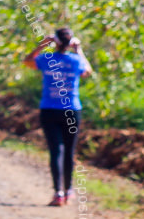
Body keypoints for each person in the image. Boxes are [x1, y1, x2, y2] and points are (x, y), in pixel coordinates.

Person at [23, 27, 94, 206]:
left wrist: (42, 45)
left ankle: (58, 193)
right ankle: (69, 190)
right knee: (69, 152)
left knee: (56, 151)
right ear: (70, 42)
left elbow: (27, 61)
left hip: (49, 110)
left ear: (56, 41)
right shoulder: (76, 60)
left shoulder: (47, 59)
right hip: (71, 110)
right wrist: (78, 49)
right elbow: (88, 71)